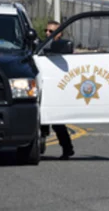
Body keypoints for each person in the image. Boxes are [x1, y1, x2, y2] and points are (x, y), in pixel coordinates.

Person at [40, 20, 75, 160]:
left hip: (57, 87)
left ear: (59, 34)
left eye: (51, 31)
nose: (47, 33)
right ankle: (39, 142)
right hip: (43, 84)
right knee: (39, 117)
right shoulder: (40, 46)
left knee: (57, 122)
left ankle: (67, 148)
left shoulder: (63, 47)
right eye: (46, 30)